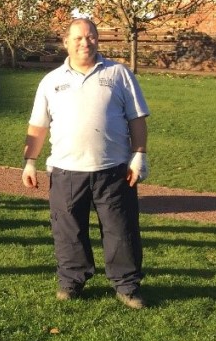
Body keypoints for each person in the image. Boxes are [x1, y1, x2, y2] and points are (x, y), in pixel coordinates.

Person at [21, 18, 151, 309]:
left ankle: (127, 286)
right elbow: (38, 127)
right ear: (65, 41)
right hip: (66, 172)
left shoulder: (119, 74)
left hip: (113, 171)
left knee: (121, 231)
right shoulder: (51, 81)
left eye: (90, 37)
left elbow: (137, 119)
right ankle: (71, 281)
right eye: (78, 38)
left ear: (97, 40)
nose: (85, 42)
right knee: (68, 231)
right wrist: (30, 161)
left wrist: (139, 155)